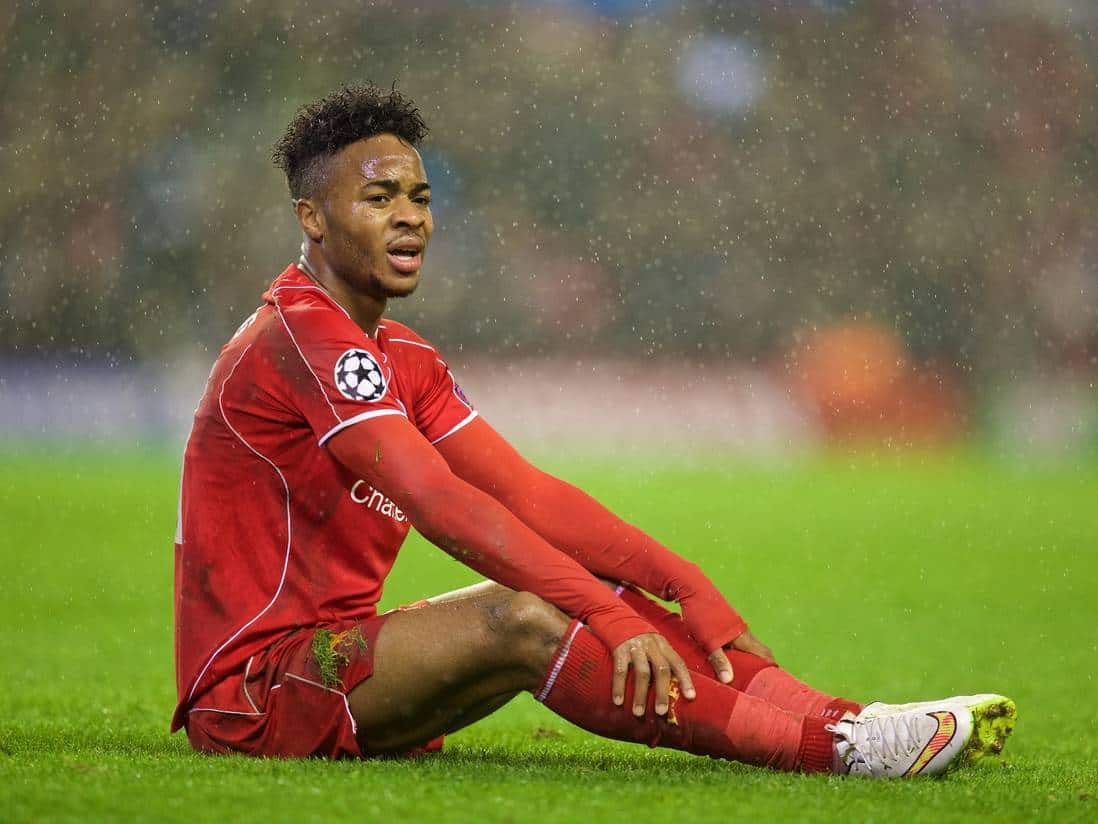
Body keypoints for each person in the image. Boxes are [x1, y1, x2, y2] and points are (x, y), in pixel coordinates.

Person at [172, 83, 1016, 778]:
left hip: (336, 663)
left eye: (420, 198)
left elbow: (525, 494)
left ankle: (847, 718)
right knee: (527, 615)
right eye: (379, 197)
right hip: (256, 690)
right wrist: (604, 615)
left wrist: (680, 581)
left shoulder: (397, 355)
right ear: (312, 218)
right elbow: (442, 506)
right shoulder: (302, 337)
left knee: (590, 586)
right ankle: (832, 753)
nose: (410, 219)